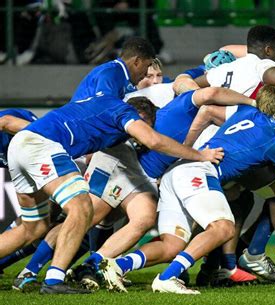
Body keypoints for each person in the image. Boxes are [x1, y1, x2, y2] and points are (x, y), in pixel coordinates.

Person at [1, 93, 223, 294]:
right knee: (82, 208)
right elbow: (153, 139)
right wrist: (199, 155)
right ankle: (49, 278)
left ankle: (87, 265)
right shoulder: (124, 109)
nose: (150, 77)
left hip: (28, 147)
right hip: (46, 148)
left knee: (34, 228)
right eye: (147, 70)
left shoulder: (104, 107)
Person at [100, 108, 275, 294]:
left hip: (177, 169)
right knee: (224, 228)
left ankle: (114, 266)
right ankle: (168, 278)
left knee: (171, 246)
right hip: (199, 171)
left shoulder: (250, 111)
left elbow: (210, 110)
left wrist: (189, 142)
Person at [71, 36, 155, 101]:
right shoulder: (110, 74)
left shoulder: (125, 80)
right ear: (137, 61)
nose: (146, 73)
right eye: (147, 65)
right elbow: (107, 108)